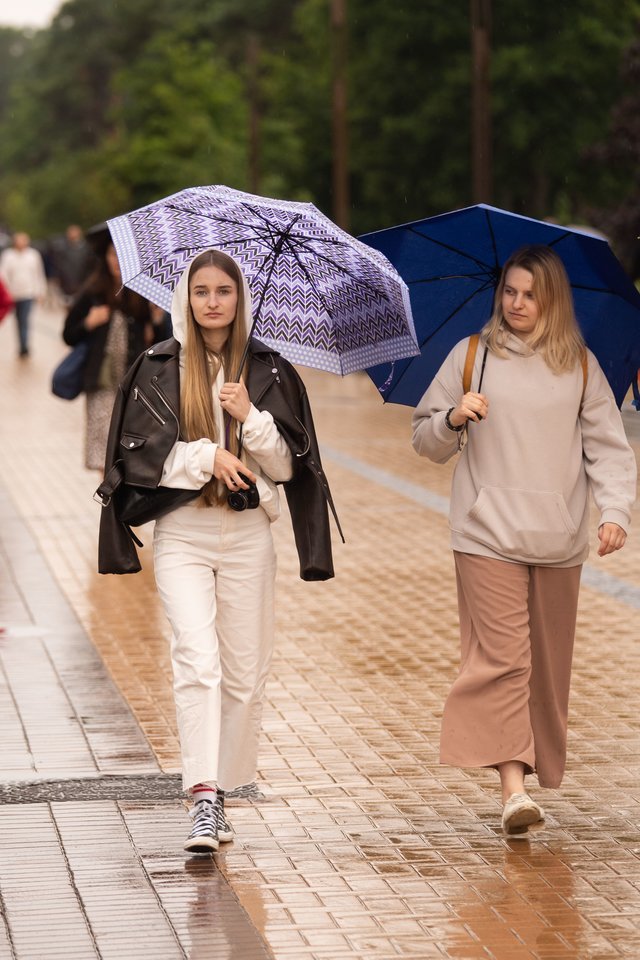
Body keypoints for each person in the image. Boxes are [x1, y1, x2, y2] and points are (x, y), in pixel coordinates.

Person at [95, 249, 341, 855]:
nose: (212, 301)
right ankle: (202, 796)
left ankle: (223, 791)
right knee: (197, 660)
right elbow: (138, 459)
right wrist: (208, 456)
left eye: (223, 291)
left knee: (245, 673)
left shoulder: (268, 369)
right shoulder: (158, 366)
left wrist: (249, 416)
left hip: (249, 536)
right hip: (183, 533)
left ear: (240, 298)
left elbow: (287, 465)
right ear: (186, 296)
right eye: (201, 290)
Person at [412, 245, 636, 837]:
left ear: (552, 300)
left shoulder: (581, 367)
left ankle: (527, 771)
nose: (516, 303)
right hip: (485, 535)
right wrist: (453, 417)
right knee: (505, 659)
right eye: (509, 291)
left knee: (546, 671)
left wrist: (615, 511)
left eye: (530, 294)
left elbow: (608, 449)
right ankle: (513, 791)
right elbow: (424, 440)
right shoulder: (471, 355)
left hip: (559, 540)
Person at [62, 228, 152, 470]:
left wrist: (154, 323)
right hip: (101, 383)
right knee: (104, 449)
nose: (117, 261)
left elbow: (159, 339)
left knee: (128, 446)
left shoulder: (142, 294)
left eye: (123, 256)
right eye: (113, 255)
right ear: (106, 257)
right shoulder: (93, 293)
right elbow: (68, 335)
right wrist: (88, 323)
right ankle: (108, 491)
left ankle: (120, 491)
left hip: (134, 383)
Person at [0, 231, 47, 357]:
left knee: (24, 319)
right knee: (17, 320)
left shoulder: (33, 255)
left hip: (28, 293)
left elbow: (38, 274)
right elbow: (3, 275)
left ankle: (24, 346)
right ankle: (21, 343)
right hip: (12, 294)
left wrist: (41, 291)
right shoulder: (8, 256)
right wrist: (6, 292)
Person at [51, 224, 94, 305]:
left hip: (82, 282)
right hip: (66, 284)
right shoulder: (61, 249)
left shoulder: (86, 249)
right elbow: (58, 265)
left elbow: (90, 266)